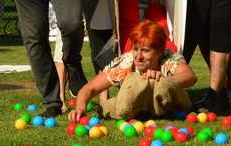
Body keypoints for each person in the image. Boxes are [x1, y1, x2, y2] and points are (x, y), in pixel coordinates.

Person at [68, 20, 196, 121]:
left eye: (145, 50)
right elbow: (89, 89)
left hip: (168, 106)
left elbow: (190, 76)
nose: (138, 57)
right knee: (112, 102)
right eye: (135, 49)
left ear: (159, 51)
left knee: (161, 84)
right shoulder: (125, 63)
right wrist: (80, 108)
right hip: (134, 107)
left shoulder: (169, 59)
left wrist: (163, 79)